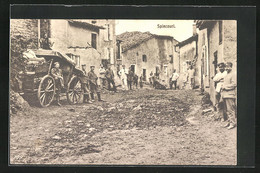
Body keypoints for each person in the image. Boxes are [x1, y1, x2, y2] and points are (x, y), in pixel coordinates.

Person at [221, 62, 237, 130]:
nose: (226, 68)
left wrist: (225, 87)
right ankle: (229, 121)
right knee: (227, 110)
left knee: (231, 110)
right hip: (225, 95)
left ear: (231, 67)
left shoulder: (233, 74)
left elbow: (234, 84)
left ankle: (233, 123)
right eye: (226, 67)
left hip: (230, 95)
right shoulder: (226, 75)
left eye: (228, 67)